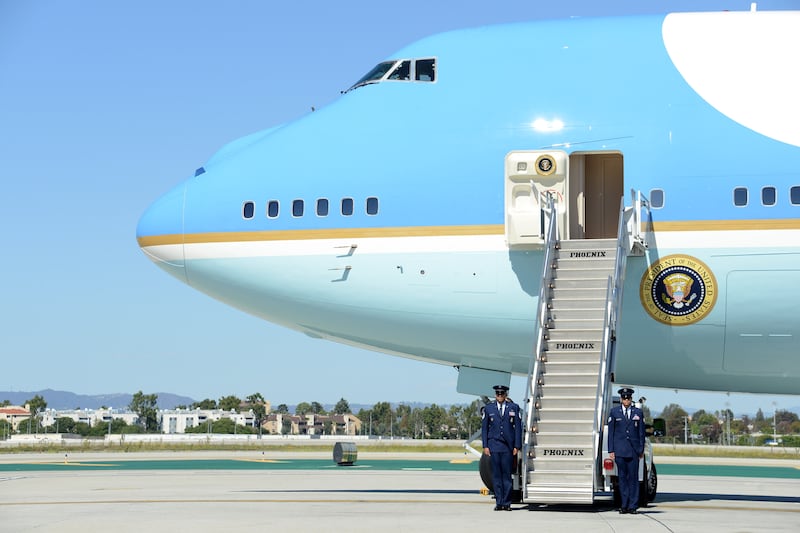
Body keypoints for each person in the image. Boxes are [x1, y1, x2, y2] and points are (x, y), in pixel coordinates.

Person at [481, 384, 523, 511]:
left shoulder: (513, 408)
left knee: (506, 476)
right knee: (496, 476)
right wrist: (485, 446)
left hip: (507, 447)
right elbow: (484, 429)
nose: (500, 396)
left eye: (502, 394)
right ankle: (499, 502)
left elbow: (518, 428)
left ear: (506, 395)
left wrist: (517, 445)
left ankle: (507, 503)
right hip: (494, 446)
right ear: (495, 395)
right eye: (498, 394)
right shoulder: (489, 409)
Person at [607, 387, 647, 514]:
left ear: (631, 399)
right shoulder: (614, 412)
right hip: (620, 451)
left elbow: (641, 433)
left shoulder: (638, 412)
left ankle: (633, 506)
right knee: (622, 479)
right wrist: (611, 450)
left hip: (634, 451)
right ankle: (624, 505)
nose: (626, 400)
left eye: (628, 398)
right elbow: (611, 433)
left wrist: (641, 449)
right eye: (624, 398)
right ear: (621, 399)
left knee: (633, 479)